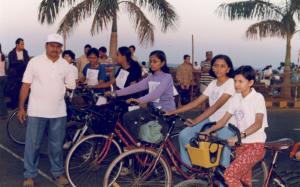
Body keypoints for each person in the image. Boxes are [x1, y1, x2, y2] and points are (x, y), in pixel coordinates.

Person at [18, 34, 76, 187]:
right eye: (52, 45)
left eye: (58, 46)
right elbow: (25, 85)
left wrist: (65, 86)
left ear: (61, 48)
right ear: (46, 46)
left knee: (56, 146)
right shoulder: (34, 62)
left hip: (59, 113)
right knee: (33, 145)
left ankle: (57, 174)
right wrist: (21, 107)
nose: (55, 49)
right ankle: (29, 175)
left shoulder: (66, 65)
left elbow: (71, 85)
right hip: (36, 111)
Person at [166, 54, 235, 169]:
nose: (218, 69)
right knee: (184, 135)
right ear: (212, 67)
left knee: (223, 152)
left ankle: (224, 182)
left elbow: (215, 107)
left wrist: (196, 120)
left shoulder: (231, 83)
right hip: (211, 120)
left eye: (222, 66)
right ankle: (188, 169)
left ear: (228, 69)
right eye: (216, 65)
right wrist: (173, 111)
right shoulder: (213, 83)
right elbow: (196, 102)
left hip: (227, 123)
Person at [202, 66, 267, 187]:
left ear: (251, 82)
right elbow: (223, 121)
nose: (236, 84)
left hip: (255, 146)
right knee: (244, 181)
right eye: (235, 81)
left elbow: (258, 123)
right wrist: (208, 131)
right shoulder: (236, 98)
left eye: (240, 81)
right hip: (240, 146)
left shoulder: (257, 98)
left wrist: (239, 137)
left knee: (229, 175)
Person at [115, 50, 176, 138]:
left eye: (155, 61)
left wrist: (139, 100)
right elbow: (137, 87)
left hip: (165, 112)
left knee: (155, 136)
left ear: (162, 63)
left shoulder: (167, 77)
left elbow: (156, 94)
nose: (151, 64)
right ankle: (138, 144)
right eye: (150, 61)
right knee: (127, 117)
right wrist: (116, 93)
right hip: (153, 110)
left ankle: (143, 145)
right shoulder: (151, 76)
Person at [7, 38, 30, 108]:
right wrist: (21, 62)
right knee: (15, 93)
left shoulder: (25, 52)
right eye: (22, 44)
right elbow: (12, 63)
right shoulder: (11, 53)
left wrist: (20, 62)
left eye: (23, 44)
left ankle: (24, 106)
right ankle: (15, 107)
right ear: (17, 45)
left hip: (23, 76)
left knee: (24, 91)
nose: (23, 45)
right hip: (14, 77)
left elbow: (27, 62)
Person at [0, 43, 8, 119]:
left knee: (0, 96)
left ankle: (2, 113)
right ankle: (4, 112)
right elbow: (5, 68)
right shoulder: (2, 55)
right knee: (1, 96)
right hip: (3, 77)